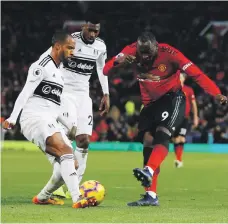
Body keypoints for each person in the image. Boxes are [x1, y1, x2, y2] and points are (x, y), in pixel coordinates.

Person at [103, 31, 227, 206]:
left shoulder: (170, 54)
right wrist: (118, 61)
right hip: (149, 105)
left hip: (172, 98)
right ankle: (151, 195)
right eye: (141, 54)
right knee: (147, 142)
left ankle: (149, 169)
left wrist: (216, 93)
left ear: (156, 47)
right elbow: (105, 69)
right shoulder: (130, 51)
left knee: (163, 133)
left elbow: (196, 73)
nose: (144, 58)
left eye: (148, 54)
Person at [2, 30, 96, 208]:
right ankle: (77, 199)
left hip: (49, 118)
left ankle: (43, 197)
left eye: (74, 49)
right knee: (66, 153)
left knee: (70, 164)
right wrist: (13, 118)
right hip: (35, 118)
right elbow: (25, 93)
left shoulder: (59, 72)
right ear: (58, 47)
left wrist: (69, 124)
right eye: (69, 48)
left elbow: (53, 104)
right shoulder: (41, 65)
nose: (72, 52)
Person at [40, 14, 110, 198]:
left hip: (83, 96)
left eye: (97, 30)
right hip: (63, 93)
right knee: (67, 137)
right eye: (90, 29)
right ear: (83, 26)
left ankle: (74, 187)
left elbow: (102, 70)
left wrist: (106, 93)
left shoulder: (101, 46)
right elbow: (51, 57)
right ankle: (60, 178)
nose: (93, 34)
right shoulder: (70, 41)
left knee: (84, 141)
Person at [172, 72, 199, 168]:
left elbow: (193, 104)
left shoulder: (188, 90)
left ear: (184, 79)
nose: (178, 79)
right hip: (174, 118)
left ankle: (179, 160)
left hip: (184, 118)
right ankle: (178, 158)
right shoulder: (173, 89)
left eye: (180, 77)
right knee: (175, 139)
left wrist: (195, 117)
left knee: (182, 137)